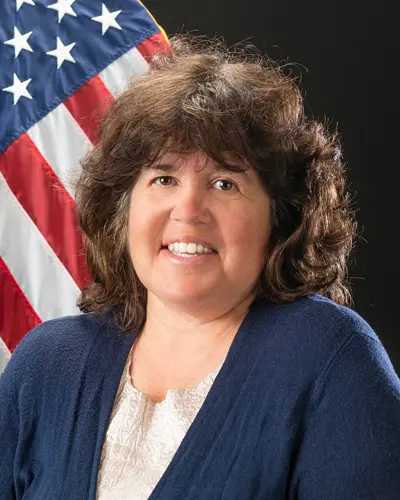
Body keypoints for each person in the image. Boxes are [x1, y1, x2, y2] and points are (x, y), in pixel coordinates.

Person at [1, 35, 399, 500]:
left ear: (281, 219)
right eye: (163, 178)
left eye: (224, 183)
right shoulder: (48, 362)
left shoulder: (330, 358)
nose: (188, 211)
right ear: (123, 210)